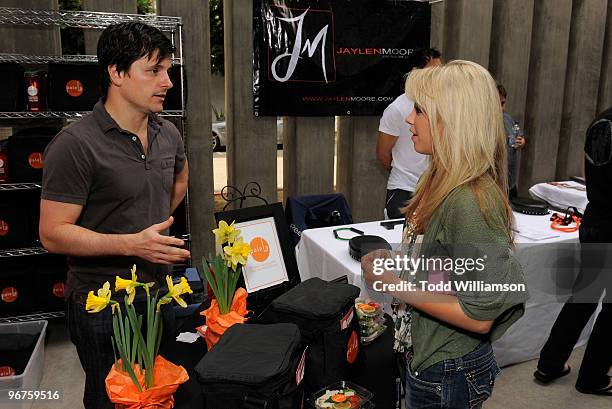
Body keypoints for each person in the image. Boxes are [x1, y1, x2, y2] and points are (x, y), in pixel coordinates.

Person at [39, 22, 190, 409]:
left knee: (160, 392)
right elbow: (53, 234)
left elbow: (180, 178)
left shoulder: (168, 133)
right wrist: (133, 242)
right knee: (112, 400)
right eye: (154, 70)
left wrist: (149, 223)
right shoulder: (75, 145)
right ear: (116, 73)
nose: (168, 82)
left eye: (168, 70)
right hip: (101, 306)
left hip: (159, 295)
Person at [362, 60, 527, 408]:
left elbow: (479, 316)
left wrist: (392, 282)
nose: (409, 119)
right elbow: (448, 272)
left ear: (451, 119)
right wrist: (403, 266)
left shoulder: (469, 200)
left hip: (448, 368)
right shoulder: (440, 180)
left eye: (419, 110)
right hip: (433, 357)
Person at [534, 106, 612, 395]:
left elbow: (586, 169)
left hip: (596, 218)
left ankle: (550, 363)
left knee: (584, 295)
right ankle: (592, 377)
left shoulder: (601, 119)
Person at [377, 47, 442, 219]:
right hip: (404, 190)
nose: (440, 77)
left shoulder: (444, 105)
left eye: (440, 71)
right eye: (433, 72)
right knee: (402, 243)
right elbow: (383, 154)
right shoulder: (397, 109)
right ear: (415, 72)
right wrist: (407, 172)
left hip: (435, 189)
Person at [497, 84, 526, 198]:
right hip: (492, 186)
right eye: (497, 104)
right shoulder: (481, 123)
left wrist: (521, 142)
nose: (501, 108)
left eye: (503, 103)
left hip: (510, 183)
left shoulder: (508, 119)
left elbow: (519, 134)